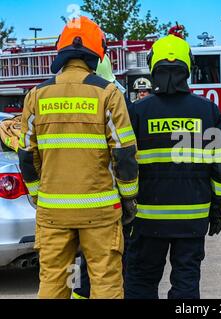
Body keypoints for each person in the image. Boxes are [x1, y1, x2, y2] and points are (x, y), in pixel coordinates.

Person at [18, 16, 139, 299]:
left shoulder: (36, 95)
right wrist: (129, 198)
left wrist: (38, 197)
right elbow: (124, 154)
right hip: (100, 211)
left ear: (61, 52)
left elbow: (26, 156)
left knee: (52, 282)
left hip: (53, 211)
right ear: (97, 52)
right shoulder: (107, 93)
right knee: (106, 281)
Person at [125, 29, 221, 299]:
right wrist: (219, 208)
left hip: (147, 219)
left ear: (153, 66)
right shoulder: (207, 110)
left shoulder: (137, 111)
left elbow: (122, 161)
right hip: (193, 218)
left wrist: (124, 208)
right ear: (188, 67)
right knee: (186, 283)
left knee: (140, 281)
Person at [71, 55, 137, 299]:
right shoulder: (114, 100)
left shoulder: (56, 100)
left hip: (64, 205)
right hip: (104, 203)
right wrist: (130, 198)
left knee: (78, 267)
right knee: (109, 266)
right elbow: (126, 154)